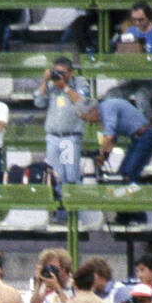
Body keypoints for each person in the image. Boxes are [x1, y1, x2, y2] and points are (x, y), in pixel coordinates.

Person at [34, 57, 90, 207]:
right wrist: (45, 82)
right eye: (56, 71)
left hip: (69, 138)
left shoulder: (80, 82)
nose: (58, 75)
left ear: (70, 73)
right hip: (52, 137)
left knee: (70, 178)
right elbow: (38, 102)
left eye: (62, 73)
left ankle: (74, 214)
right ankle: (60, 213)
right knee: (56, 178)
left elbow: (83, 104)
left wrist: (64, 87)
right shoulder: (51, 85)